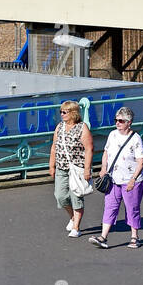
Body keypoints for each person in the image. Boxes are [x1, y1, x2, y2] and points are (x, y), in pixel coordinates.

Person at [89, 105, 143, 249]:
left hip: (132, 179)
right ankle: (103, 237)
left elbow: (141, 161)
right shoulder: (112, 135)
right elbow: (106, 152)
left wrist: (133, 179)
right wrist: (103, 168)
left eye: (121, 121)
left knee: (132, 208)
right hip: (113, 178)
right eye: (116, 120)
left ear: (129, 122)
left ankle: (135, 237)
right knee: (110, 206)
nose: (117, 123)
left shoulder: (135, 139)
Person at [49, 99, 93, 238]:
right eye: (61, 112)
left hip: (77, 168)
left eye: (64, 112)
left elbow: (89, 149)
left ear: (73, 113)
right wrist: (51, 165)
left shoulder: (82, 127)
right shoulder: (60, 127)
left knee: (76, 197)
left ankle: (76, 227)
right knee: (60, 196)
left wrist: (87, 169)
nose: (61, 114)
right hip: (62, 167)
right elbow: (54, 146)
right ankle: (73, 216)